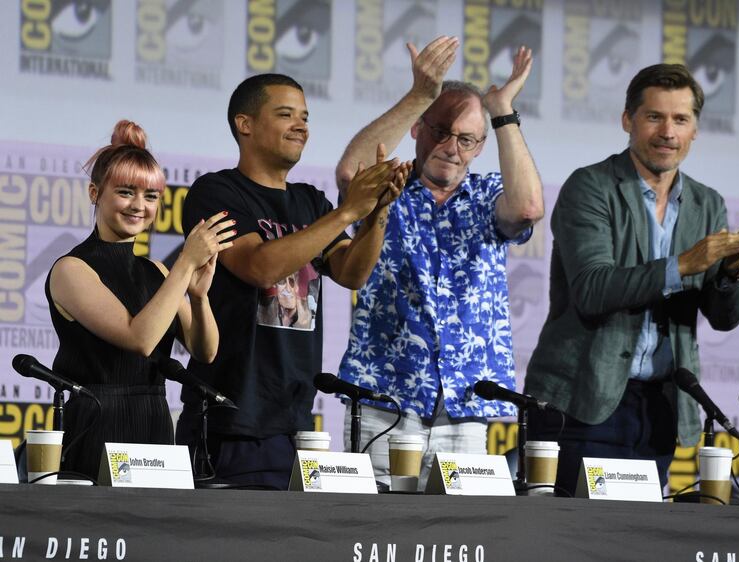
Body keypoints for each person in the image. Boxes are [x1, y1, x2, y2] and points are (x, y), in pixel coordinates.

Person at [524, 64, 739, 496]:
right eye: (655, 117)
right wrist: (684, 265)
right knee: (569, 545)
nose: (668, 132)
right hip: (581, 402)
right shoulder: (590, 187)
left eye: (681, 119)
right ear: (627, 120)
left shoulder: (707, 203)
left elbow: (723, 319)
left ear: (695, 130)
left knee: (635, 544)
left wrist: (732, 274)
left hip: (659, 409)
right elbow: (593, 290)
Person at [175, 73, 410, 489]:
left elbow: (352, 273)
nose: (301, 125)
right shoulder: (215, 192)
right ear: (244, 124)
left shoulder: (310, 201)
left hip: (296, 422)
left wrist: (376, 212)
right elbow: (258, 267)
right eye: (286, 115)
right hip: (231, 419)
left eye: (305, 116)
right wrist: (347, 213)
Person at [336, 37, 545, 489]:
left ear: (481, 145)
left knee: (459, 539)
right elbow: (349, 174)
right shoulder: (388, 182)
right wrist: (420, 95)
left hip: (464, 408)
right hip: (384, 396)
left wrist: (501, 108)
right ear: (417, 128)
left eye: (466, 138)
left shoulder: (489, 196)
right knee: (371, 534)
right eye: (441, 130)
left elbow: (528, 208)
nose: (451, 146)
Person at [46, 120, 234, 480]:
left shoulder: (157, 272)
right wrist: (185, 263)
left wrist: (198, 296)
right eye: (126, 192)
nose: (139, 206)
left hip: (155, 422)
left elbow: (205, 351)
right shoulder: (72, 269)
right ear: (94, 193)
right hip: (97, 423)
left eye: (150, 196)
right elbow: (141, 339)